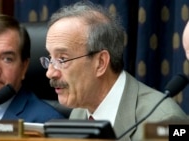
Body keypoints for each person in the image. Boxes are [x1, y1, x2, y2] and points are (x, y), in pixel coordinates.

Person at [40, 1, 189, 140]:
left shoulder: (163, 121)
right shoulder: (79, 113)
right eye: (50, 59)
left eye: (62, 59)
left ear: (100, 63)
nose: (50, 73)